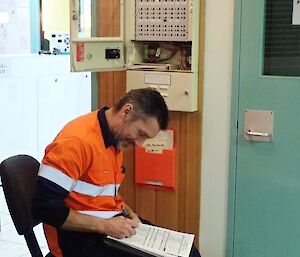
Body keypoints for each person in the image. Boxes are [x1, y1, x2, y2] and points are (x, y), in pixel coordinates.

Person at [32, 88, 201, 257]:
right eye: (140, 133)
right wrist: (106, 226)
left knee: (188, 252)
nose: (140, 144)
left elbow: (104, 192)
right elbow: (44, 207)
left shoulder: (113, 138)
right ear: (126, 111)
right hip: (77, 241)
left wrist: (129, 213)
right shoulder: (76, 142)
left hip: (107, 226)